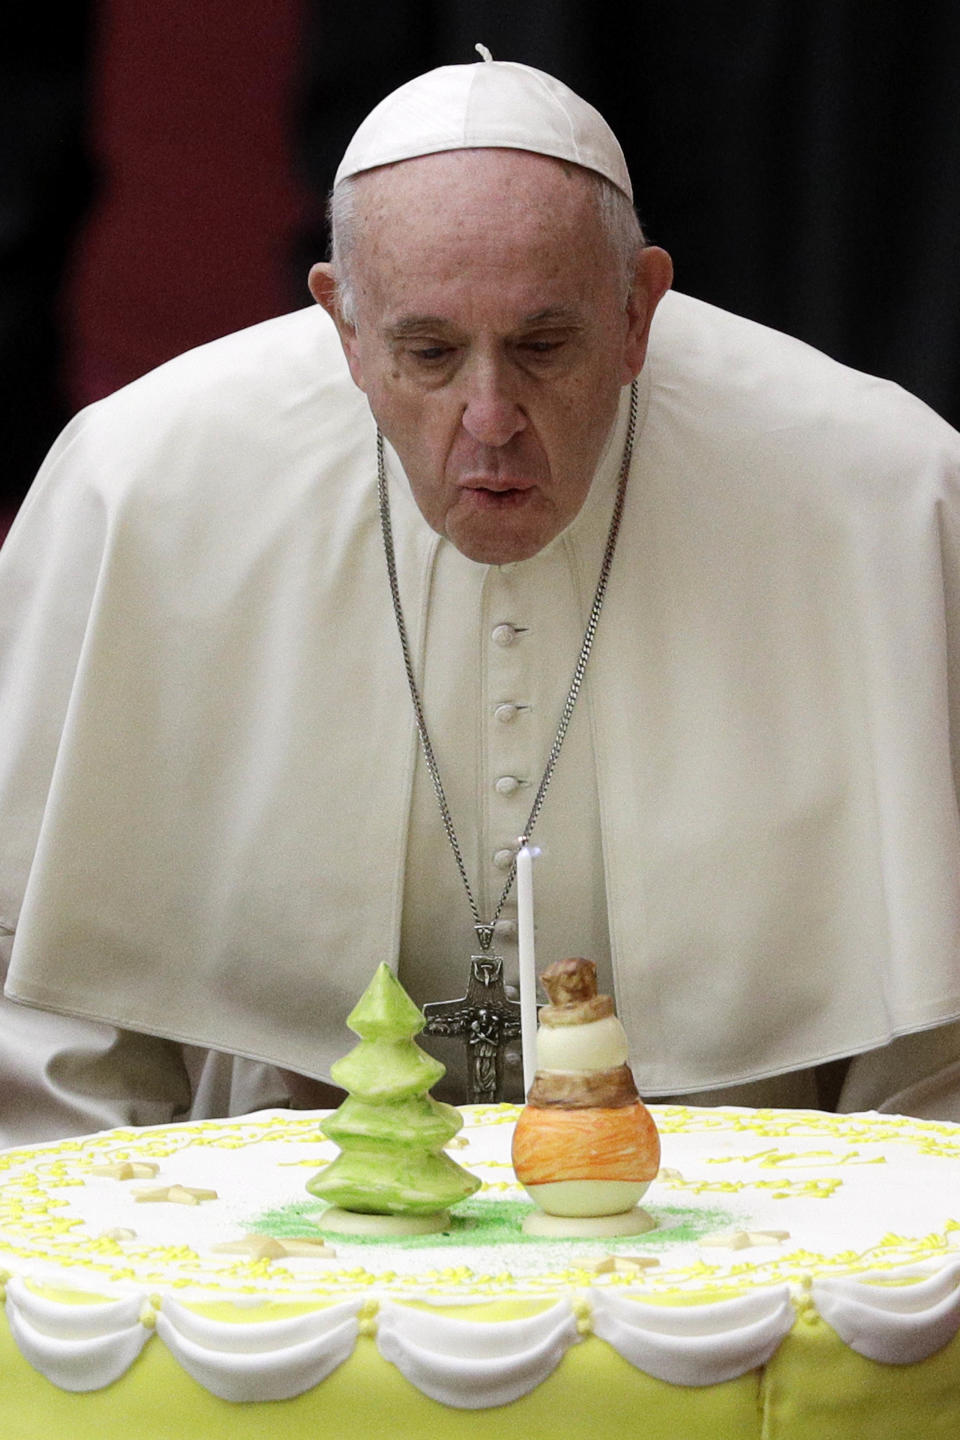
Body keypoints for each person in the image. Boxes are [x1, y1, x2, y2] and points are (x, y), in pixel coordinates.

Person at [1, 54, 960, 1144]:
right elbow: (48, 1021)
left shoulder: (878, 493)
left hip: (757, 1225)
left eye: (545, 347)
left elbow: (936, 1057)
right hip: (270, 1223)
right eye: (430, 353)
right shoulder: (136, 486)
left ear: (641, 310)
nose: (490, 415)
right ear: (344, 328)